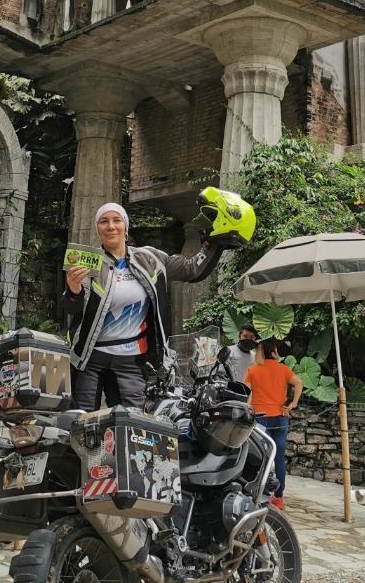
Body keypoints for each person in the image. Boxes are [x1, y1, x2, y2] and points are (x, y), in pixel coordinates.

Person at [64, 195, 253, 412]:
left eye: (117, 220)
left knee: (129, 426)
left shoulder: (150, 259)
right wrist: (74, 290)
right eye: (103, 221)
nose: (111, 226)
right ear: (98, 230)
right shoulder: (87, 262)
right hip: (89, 359)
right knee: (83, 424)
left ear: (126, 227)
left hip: (131, 362)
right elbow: (71, 308)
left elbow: (192, 269)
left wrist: (216, 241)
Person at [244, 336, 303, 510]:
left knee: (262, 457)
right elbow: (299, 383)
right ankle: (279, 497)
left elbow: (246, 392)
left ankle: (262, 494)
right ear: (275, 352)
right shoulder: (283, 369)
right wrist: (293, 404)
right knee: (279, 458)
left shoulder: (253, 370)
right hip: (280, 416)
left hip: (260, 417)